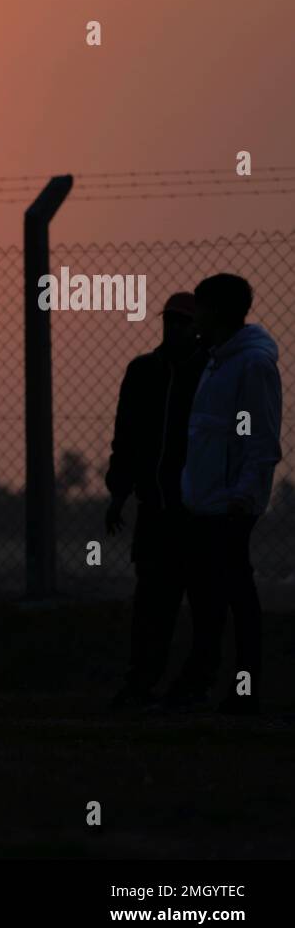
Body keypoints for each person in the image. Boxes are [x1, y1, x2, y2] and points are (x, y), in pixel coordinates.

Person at [164, 274, 282, 713]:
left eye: (202, 308)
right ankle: (203, 685)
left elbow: (261, 441)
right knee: (210, 602)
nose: (195, 317)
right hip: (205, 502)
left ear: (219, 312)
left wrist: (242, 499)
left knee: (236, 601)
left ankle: (242, 690)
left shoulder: (250, 365)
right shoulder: (218, 362)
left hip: (229, 506)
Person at [105, 292, 208, 709]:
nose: (174, 328)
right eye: (170, 320)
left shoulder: (209, 373)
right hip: (155, 508)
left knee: (203, 604)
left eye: (183, 322)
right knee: (151, 602)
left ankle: (194, 686)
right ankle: (141, 683)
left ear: (197, 327)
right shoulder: (143, 372)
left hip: (197, 512)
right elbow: (125, 436)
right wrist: (118, 493)